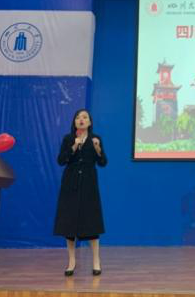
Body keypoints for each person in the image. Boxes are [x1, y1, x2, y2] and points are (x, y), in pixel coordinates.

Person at [54, 109, 107, 276]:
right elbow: (61, 160)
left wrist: (98, 148)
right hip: (70, 183)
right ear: (74, 122)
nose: (81, 120)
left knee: (91, 222)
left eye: (84, 117)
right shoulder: (68, 139)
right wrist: (74, 146)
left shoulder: (95, 139)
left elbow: (103, 162)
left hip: (89, 184)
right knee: (69, 224)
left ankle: (96, 260)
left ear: (90, 122)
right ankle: (71, 261)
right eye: (78, 117)